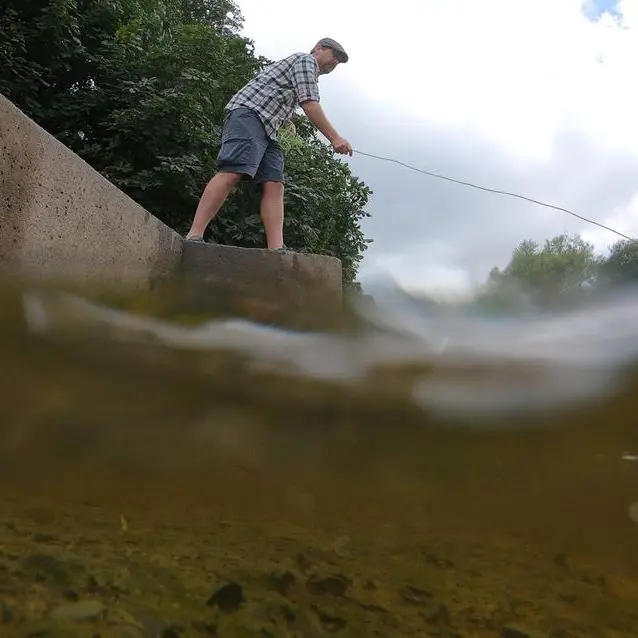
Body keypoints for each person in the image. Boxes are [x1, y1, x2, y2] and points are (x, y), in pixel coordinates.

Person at [184, 38, 353, 251]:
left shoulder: (304, 71)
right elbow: (310, 104)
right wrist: (335, 138)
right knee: (233, 170)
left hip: (267, 129)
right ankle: (194, 234)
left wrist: (287, 121)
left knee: (274, 184)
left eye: (339, 61)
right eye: (334, 55)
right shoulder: (306, 61)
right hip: (248, 114)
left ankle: (276, 249)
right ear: (319, 49)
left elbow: (278, 94)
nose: (335, 62)